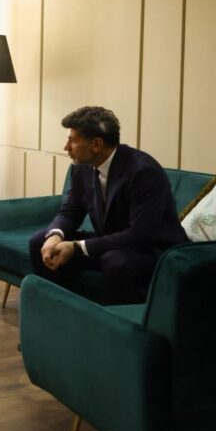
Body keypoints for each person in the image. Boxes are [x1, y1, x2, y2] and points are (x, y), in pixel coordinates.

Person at [29, 105, 189, 304]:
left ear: (96, 144)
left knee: (115, 261)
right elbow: (70, 211)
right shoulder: (82, 168)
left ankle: (122, 322)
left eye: (73, 140)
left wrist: (77, 247)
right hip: (112, 242)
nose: (66, 147)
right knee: (40, 242)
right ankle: (59, 311)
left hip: (153, 250)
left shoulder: (143, 171)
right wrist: (55, 235)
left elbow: (141, 234)